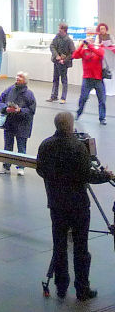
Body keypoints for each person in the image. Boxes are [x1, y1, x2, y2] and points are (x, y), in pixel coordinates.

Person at [36, 111, 110, 301]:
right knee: (80, 248)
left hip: (56, 204)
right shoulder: (78, 147)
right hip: (78, 206)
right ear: (70, 126)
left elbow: (40, 170)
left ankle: (61, 287)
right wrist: (106, 176)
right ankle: (82, 289)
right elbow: (88, 175)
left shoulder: (45, 145)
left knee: (59, 246)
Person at [0, 71, 35, 175]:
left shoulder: (29, 94)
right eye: (17, 76)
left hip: (22, 125)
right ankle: (6, 166)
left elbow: (31, 110)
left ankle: (21, 167)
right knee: (7, 146)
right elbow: (1, 101)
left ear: (25, 81)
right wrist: (5, 108)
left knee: (21, 147)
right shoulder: (9, 90)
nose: (17, 78)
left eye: (20, 77)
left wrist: (20, 110)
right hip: (9, 123)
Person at [73, 32, 107, 124]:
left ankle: (102, 118)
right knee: (83, 98)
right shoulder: (84, 51)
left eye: (91, 40)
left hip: (98, 79)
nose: (89, 42)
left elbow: (101, 54)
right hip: (87, 79)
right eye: (88, 41)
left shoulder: (98, 49)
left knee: (102, 99)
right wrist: (81, 45)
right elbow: (75, 55)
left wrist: (91, 46)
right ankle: (78, 113)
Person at [48, 23, 75, 102]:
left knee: (64, 80)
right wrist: (56, 55)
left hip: (64, 64)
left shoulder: (69, 40)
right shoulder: (57, 37)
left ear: (64, 30)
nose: (59, 30)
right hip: (56, 62)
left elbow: (73, 53)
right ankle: (54, 96)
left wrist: (64, 60)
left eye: (60, 29)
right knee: (55, 79)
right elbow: (52, 46)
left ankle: (63, 98)